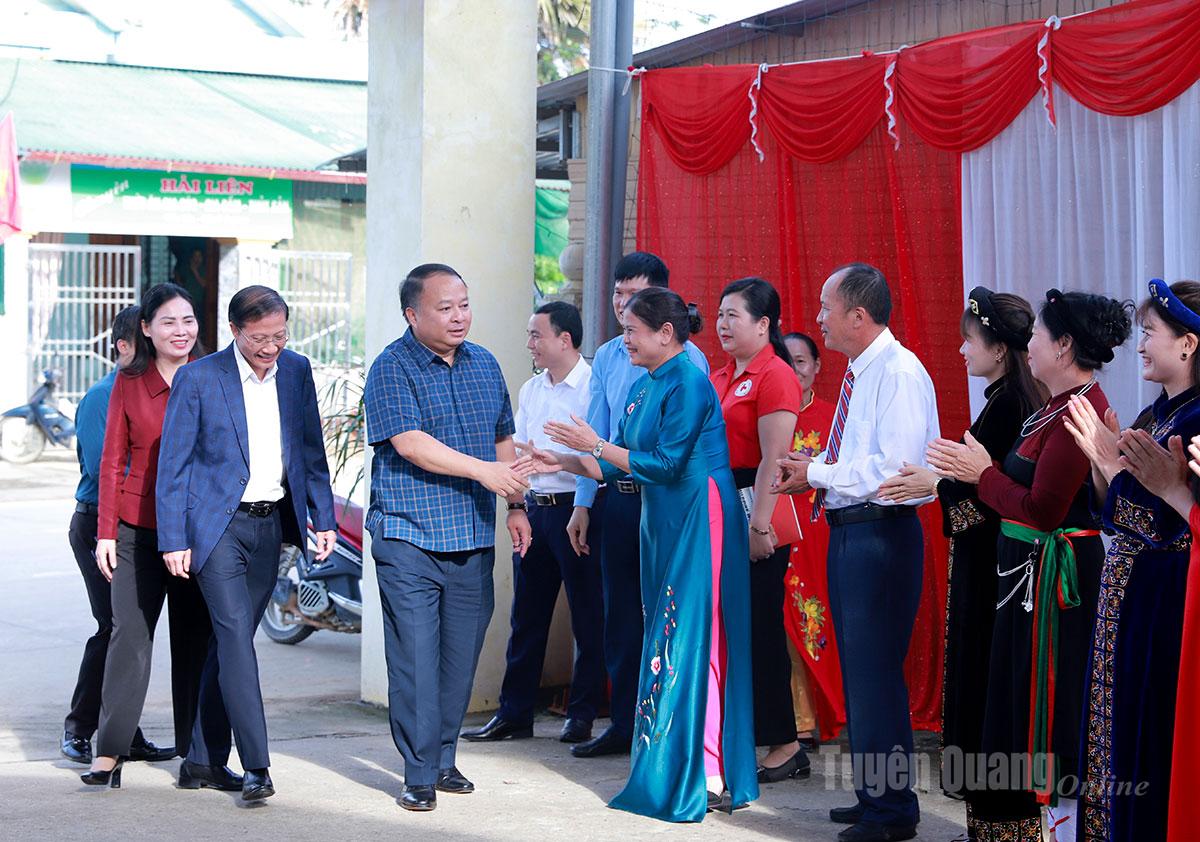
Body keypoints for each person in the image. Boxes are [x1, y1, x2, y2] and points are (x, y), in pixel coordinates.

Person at [529, 287, 758, 821]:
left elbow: (667, 463)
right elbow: (618, 464)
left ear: (666, 333)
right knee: (665, 632)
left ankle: (708, 770)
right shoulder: (644, 383)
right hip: (661, 517)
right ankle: (675, 765)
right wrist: (559, 460)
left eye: (632, 330)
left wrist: (592, 445)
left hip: (699, 512)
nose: (624, 339)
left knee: (694, 636)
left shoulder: (690, 382)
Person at [928, 289, 1132, 842]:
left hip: (1052, 582)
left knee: (1051, 712)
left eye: (1038, 335)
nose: (1030, 344)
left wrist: (981, 474)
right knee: (1017, 705)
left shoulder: (1077, 413)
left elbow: (1043, 511)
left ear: (1063, 346)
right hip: (1025, 577)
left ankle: (1059, 829)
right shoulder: (1052, 407)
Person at [774, 263, 939, 842]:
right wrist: (817, 470)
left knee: (876, 675)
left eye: (827, 308)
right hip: (854, 532)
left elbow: (894, 470)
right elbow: (859, 459)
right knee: (862, 674)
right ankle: (876, 797)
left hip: (881, 534)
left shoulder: (898, 372)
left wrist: (816, 473)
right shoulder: (861, 371)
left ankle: (892, 812)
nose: (819, 319)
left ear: (858, 316)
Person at [156, 284, 337, 802]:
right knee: (237, 639)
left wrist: (322, 518)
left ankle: (201, 759)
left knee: (227, 646)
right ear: (234, 330)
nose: (271, 347)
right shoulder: (199, 378)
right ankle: (257, 765)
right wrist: (174, 538)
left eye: (280, 335)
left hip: (268, 526)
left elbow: (310, 451)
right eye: (260, 338)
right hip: (216, 530)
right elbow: (174, 466)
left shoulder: (296, 371)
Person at [364, 263, 533, 812]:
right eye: (445, 308)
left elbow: (503, 438)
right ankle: (417, 773)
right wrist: (484, 473)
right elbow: (410, 443)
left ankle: (442, 758)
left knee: (459, 662)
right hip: (408, 535)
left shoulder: (484, 363)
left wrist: (515, 504)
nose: (459, 316)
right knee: (415, 661)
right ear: (412, 315)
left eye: (463, 304)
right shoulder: (392, 367)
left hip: (471, 536)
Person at [879, 288, 1045, 838]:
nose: (961, 350)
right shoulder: (1006, 401)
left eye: (968, 341)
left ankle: (1003, 828)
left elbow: (994, 499)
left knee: (989, 692)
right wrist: (945, 481)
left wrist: (938, 485)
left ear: (998, 349)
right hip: (990, 569)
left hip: (999, 574)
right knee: (981, 690)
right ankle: (987, 826)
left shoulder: (1013, 406)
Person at [1061, 279, 1200, 842]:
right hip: (1129, 597)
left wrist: (1113, 467)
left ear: (1187, 344)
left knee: (1149, 728)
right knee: (1116, 726)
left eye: (1150, 333)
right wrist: (1104, 466)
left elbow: (1163, 522)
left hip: (1164, 600)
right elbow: (1115, 513)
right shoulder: (1156, 412)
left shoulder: (1194, 421)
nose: (1140, 345)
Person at [566, 252, 709, 759]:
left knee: (666, 617)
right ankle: (626, 725)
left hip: (668, 505)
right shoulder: (610, 356)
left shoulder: (688, 367)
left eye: (634, 296)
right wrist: (581, 499)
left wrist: (595, 450)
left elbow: (668, 459)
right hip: (622, 501)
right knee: (620, 619)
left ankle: (668, 731)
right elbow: (600, 435)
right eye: (618, 293)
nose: (622, 305)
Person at [82, 284, 222, 789]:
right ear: (146, 328)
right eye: (168, 321)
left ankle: (197, 754)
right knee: (129, 637)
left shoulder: (214, 375)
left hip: (198, 530)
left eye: (188, 320)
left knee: (196, 639)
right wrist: (106, 533)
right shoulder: (130, 381)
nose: (181, 331)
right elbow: (111, 460)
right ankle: (109, 751)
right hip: (136, 530)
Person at [461, 301, 605, 746]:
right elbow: (518, 451)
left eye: (536, 335)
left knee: (588, 616)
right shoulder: (531, 389)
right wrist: (516, 504)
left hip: (578, 509)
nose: (529, 344)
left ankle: (582, 714)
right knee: (526, 615)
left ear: (565, 339)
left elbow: (599, 455)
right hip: (537, 509)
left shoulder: (594, 386)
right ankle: (514, 713)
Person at [61, 306, 174, 766]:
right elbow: (102, 468)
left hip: (147, 524)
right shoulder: (102, 396)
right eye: (144, 346)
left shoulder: (164, 389)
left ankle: (124, 732)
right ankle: (80, 729)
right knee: (115, 628)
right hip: (99, 523)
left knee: (133, 633)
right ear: (123, 347)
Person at [710, 277, 806, 782]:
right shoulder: (722, 374)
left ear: (764, 324)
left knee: (762, 627)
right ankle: (741, 732)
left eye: (734, 315)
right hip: (723, 504)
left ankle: (785, 743)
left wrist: (759, 524)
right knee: (734, 627)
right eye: (720, 315)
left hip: (756, 506)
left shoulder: (775, 375)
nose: (723, 324)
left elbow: (775, 458)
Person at [780, 331, 844, 751]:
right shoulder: (768, 413)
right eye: (786, 361)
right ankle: (795, 720)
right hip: (775, 530)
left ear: (817, 367)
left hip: (819, 533)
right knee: (779, 625)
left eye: (801, 361)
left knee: (814, 621)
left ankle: (821, 715)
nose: (794, 370)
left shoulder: (834, 417)